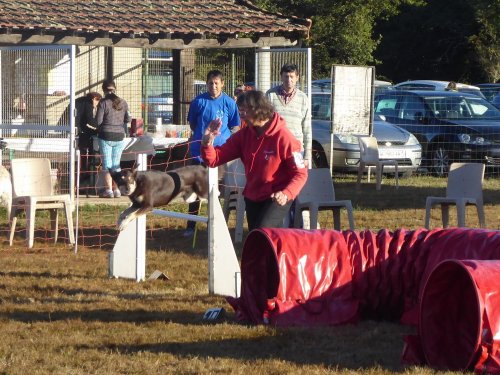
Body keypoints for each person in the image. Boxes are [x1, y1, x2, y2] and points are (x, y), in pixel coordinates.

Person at [201, 90, 308, 231]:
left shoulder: (285, 138)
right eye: (240, 110)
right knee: (255, 238)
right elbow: (214, 160)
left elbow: (301, 174)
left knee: (262, 233)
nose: (241, 114)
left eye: (245, 110)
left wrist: (286, 194)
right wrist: (207, 143)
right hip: (253, 196)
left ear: (259, 109)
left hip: (276, 197)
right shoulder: (243, 136)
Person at [184, 70, 240, 236]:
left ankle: (215, 225)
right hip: (198, 152)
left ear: (222, 83)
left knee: (218, 190)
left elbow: (234, 126)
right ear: (206, 83)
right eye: (210, 83)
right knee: (195, 187)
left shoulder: (229, 103)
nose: (213, 86)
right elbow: (193, 125)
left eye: (216, 83)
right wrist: (204, 139)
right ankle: (191, 226)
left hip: (220, 154)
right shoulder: (198, 101)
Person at [266, 63, 312, 165]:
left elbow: (307, 128)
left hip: (296, 149)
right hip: (274, 148)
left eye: (292, 76)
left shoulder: (303, 98)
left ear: (297, 78)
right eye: (286, 76)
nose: (289, 80)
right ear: (281, 77)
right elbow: (264, 123)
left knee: (296, 178)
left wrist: (307, 156)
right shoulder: (270, 95)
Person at [96, 80, 132, 198]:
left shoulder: (103, 102)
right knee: (116, 164)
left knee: (107, 164)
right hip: (119, 135)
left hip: (105, 135)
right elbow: (128, 119)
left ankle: (108, 190)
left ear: (104, 90)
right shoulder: (123, 102)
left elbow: (98, 121)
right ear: (115, 89)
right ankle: (117, 189)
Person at [77, 92, 102, 186]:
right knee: (88, 141)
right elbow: (90, 120)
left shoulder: (81, 101)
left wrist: (94, 130)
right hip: (74, 129)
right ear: (94, 99)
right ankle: (89, 166)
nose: (97, 104)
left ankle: (87, 167)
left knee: (90, 135)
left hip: (75, 126)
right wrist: (100, 127)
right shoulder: (88, 104)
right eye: (98, 101)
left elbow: (83, 123)